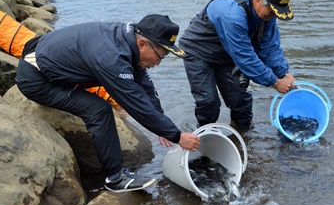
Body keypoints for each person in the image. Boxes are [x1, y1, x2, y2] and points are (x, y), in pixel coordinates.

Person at [15, 14, 201, 193]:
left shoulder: (128, 40)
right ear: (142, 44)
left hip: (48, 58)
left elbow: (143, 83)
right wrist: (176, 136)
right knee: (99, 109)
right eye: (160, 56)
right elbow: (134, 103)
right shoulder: (112, 58)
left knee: (115, 97)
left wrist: (161, 121)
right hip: (37, 80)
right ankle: (115, 178)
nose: (159, 63)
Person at [179, 0, 298, 130]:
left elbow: (269, 46)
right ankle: (206, 137)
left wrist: (283, 73)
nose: (273, 16)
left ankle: (243, 138)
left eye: (277, 12)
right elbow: (245, 57)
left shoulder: (268, 12)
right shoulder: (231, 14)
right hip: (198, 52)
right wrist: (275, 82)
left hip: (227, 54)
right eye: (272, 11)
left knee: (240, 100)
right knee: (208, 102)